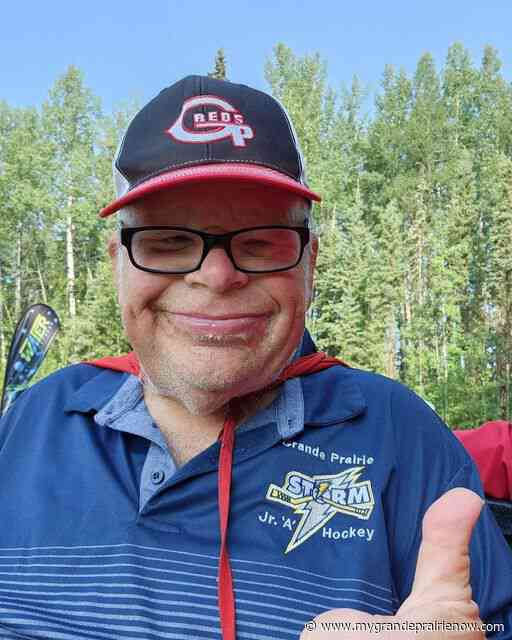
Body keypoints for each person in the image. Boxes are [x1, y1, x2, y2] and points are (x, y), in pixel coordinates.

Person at [0, 75, 510, 640]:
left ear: (309, 262)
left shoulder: (398, 433)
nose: (216, 277)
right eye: (168, 241)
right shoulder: (34, 421)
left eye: (260, 240)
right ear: (117, 260)